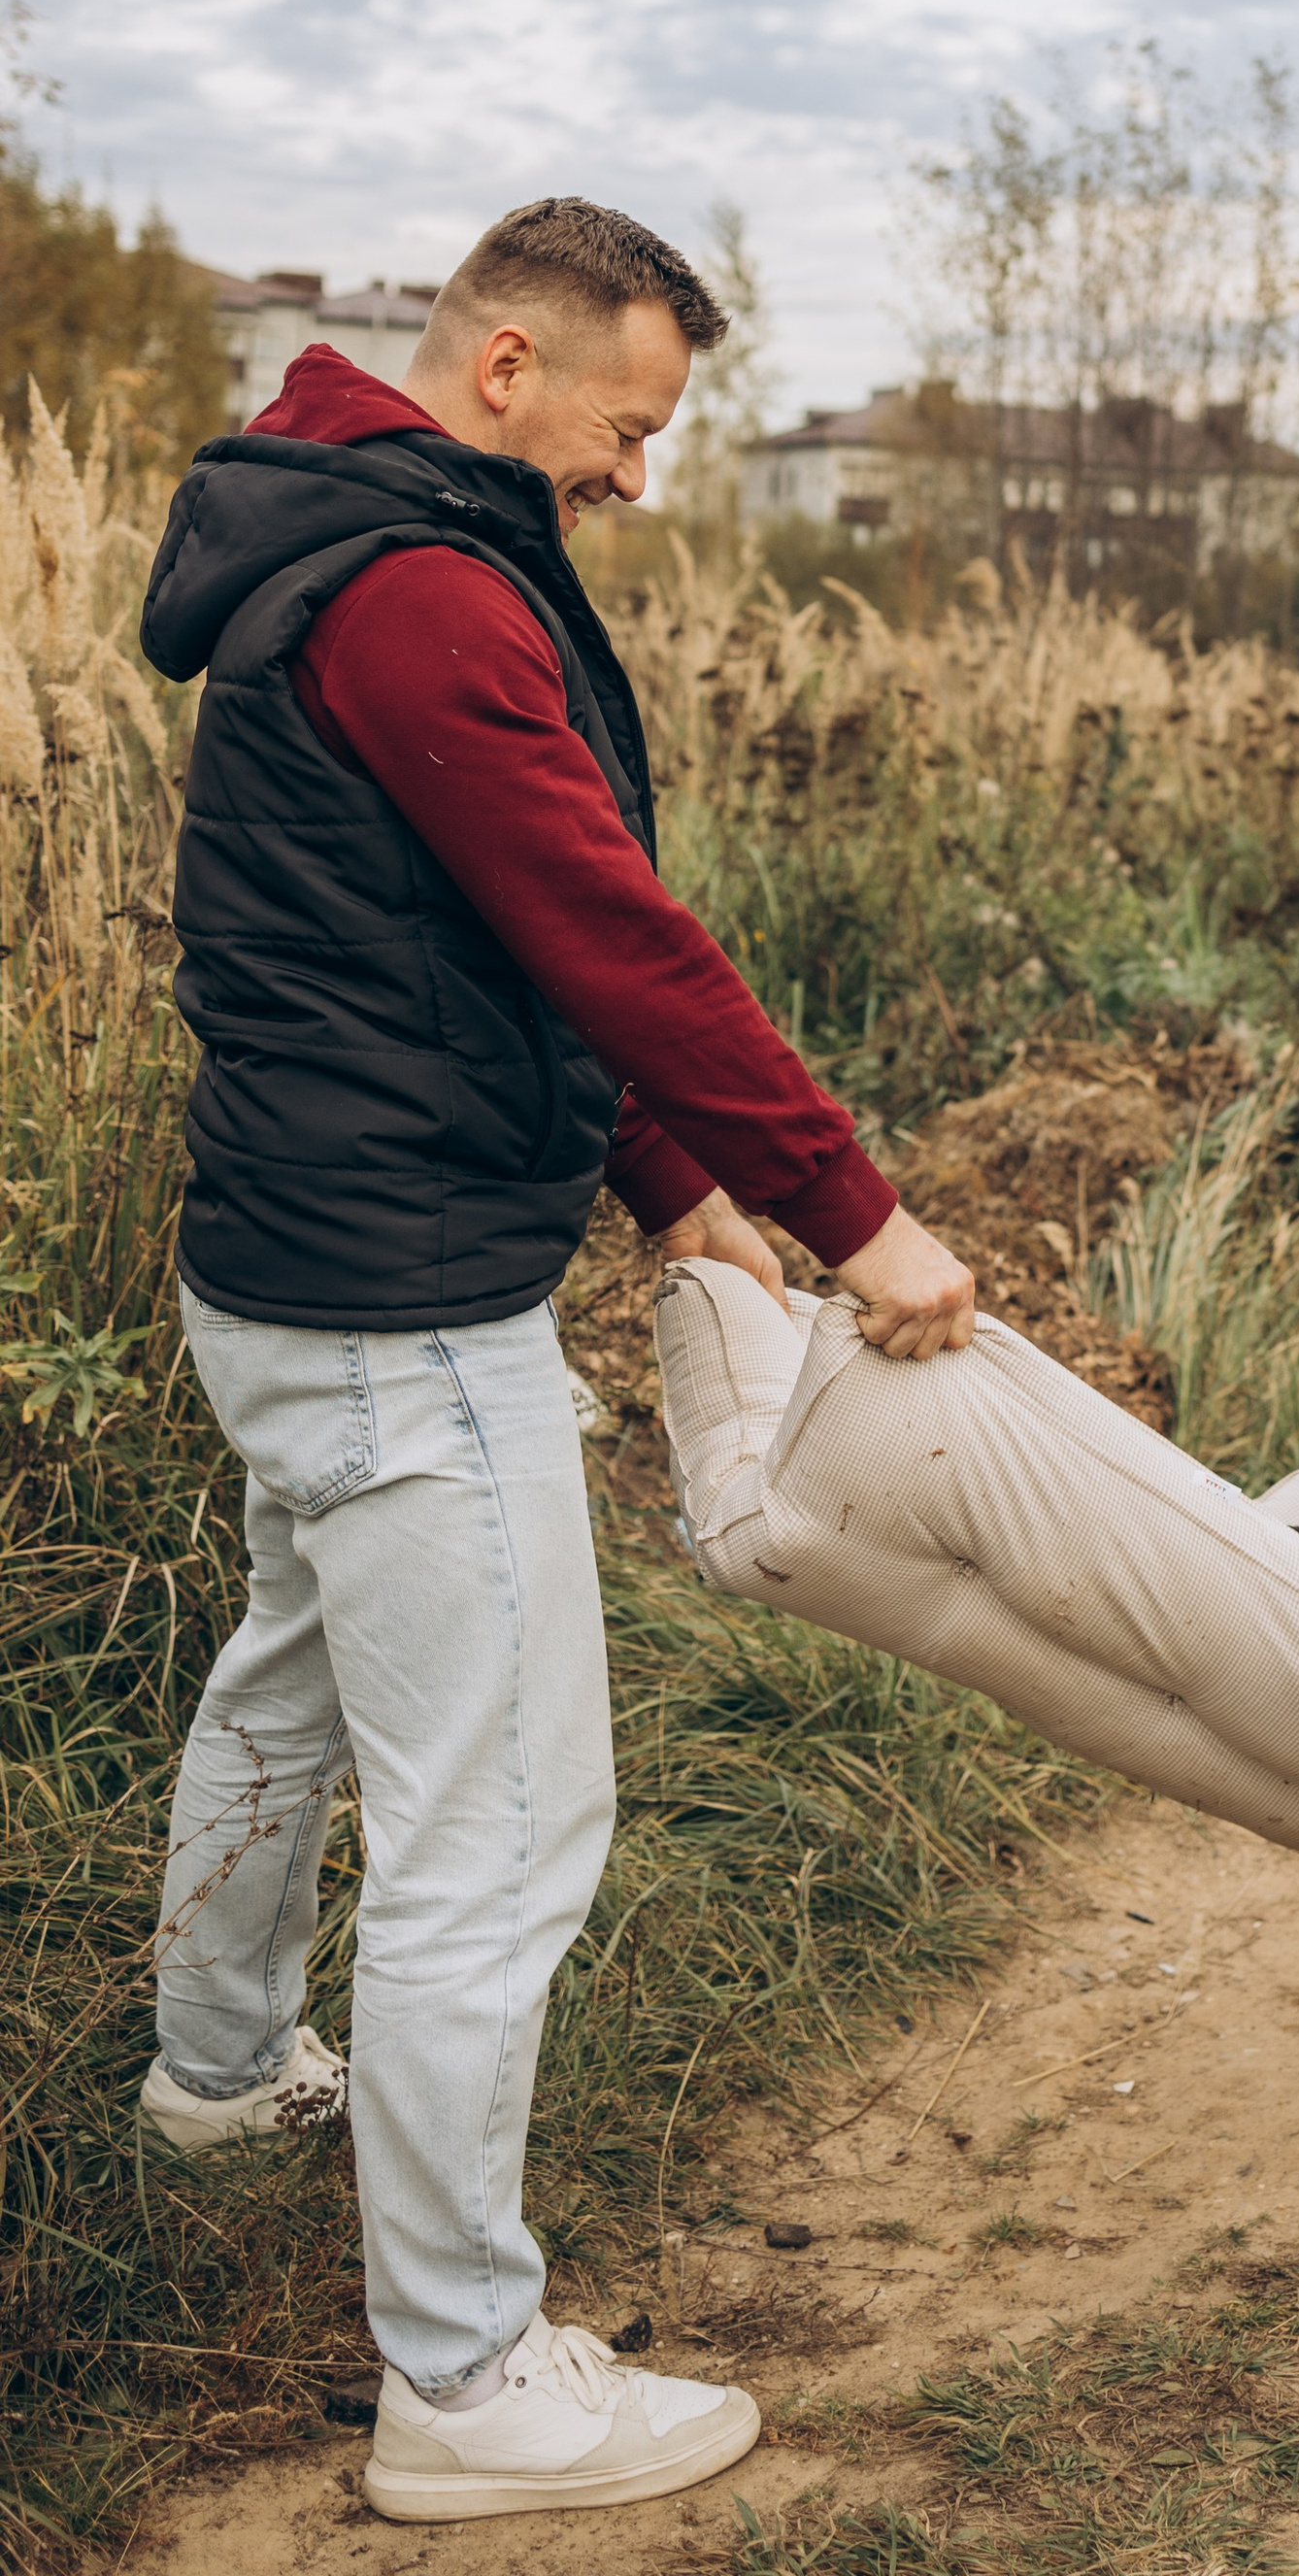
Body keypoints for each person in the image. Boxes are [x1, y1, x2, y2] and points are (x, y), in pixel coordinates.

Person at [134, 198, 978, 2526]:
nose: (638, 472)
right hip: (404, 1312)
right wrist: (846, 1204)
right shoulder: (419, 592)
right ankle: (467, 2375)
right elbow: (609, 933)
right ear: (505, 362)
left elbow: (469, 956)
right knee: (495, 1838)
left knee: (288, 1676)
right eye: (629, 421)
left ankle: (212, 2073)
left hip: (282, 1276)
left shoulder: (339, 546)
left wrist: (674, 1187)